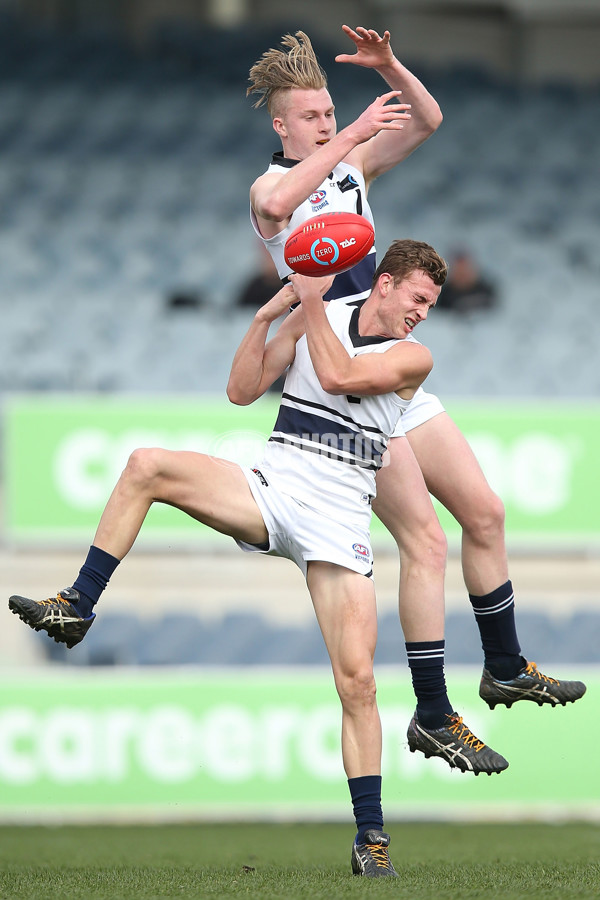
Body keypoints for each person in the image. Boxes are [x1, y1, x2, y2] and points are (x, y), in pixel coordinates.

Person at [9, 241, 509, 878]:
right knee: (145, 466)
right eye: (417, 298)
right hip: (271, 488)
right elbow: (241, 391)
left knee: (357, 685)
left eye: (431, 305)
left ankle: (371, 838)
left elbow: (338, 378)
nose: (424, 313)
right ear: (384, 284)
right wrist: (264, 317)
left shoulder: (414, 356)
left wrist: (308, 300)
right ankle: (77, 606)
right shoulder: (316, 310)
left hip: (339, 521)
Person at [247, 26, 586, 717]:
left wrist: (392, 67)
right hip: (336, 371)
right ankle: (433, 709)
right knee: (424, 539)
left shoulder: (349, 167)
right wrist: (350, 140)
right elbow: (280, 210)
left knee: (485, 513)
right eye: (311, 117)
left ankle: (505, 666)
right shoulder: (272, 183)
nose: (327, 125)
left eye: (331, 113)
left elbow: (428, 119)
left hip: (383, 356)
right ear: (282, 123)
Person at [436, 248, 498, 314]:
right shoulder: (443, 296)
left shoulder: (486, 290)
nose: (462, 274)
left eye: (465, 269)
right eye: (459, 271)